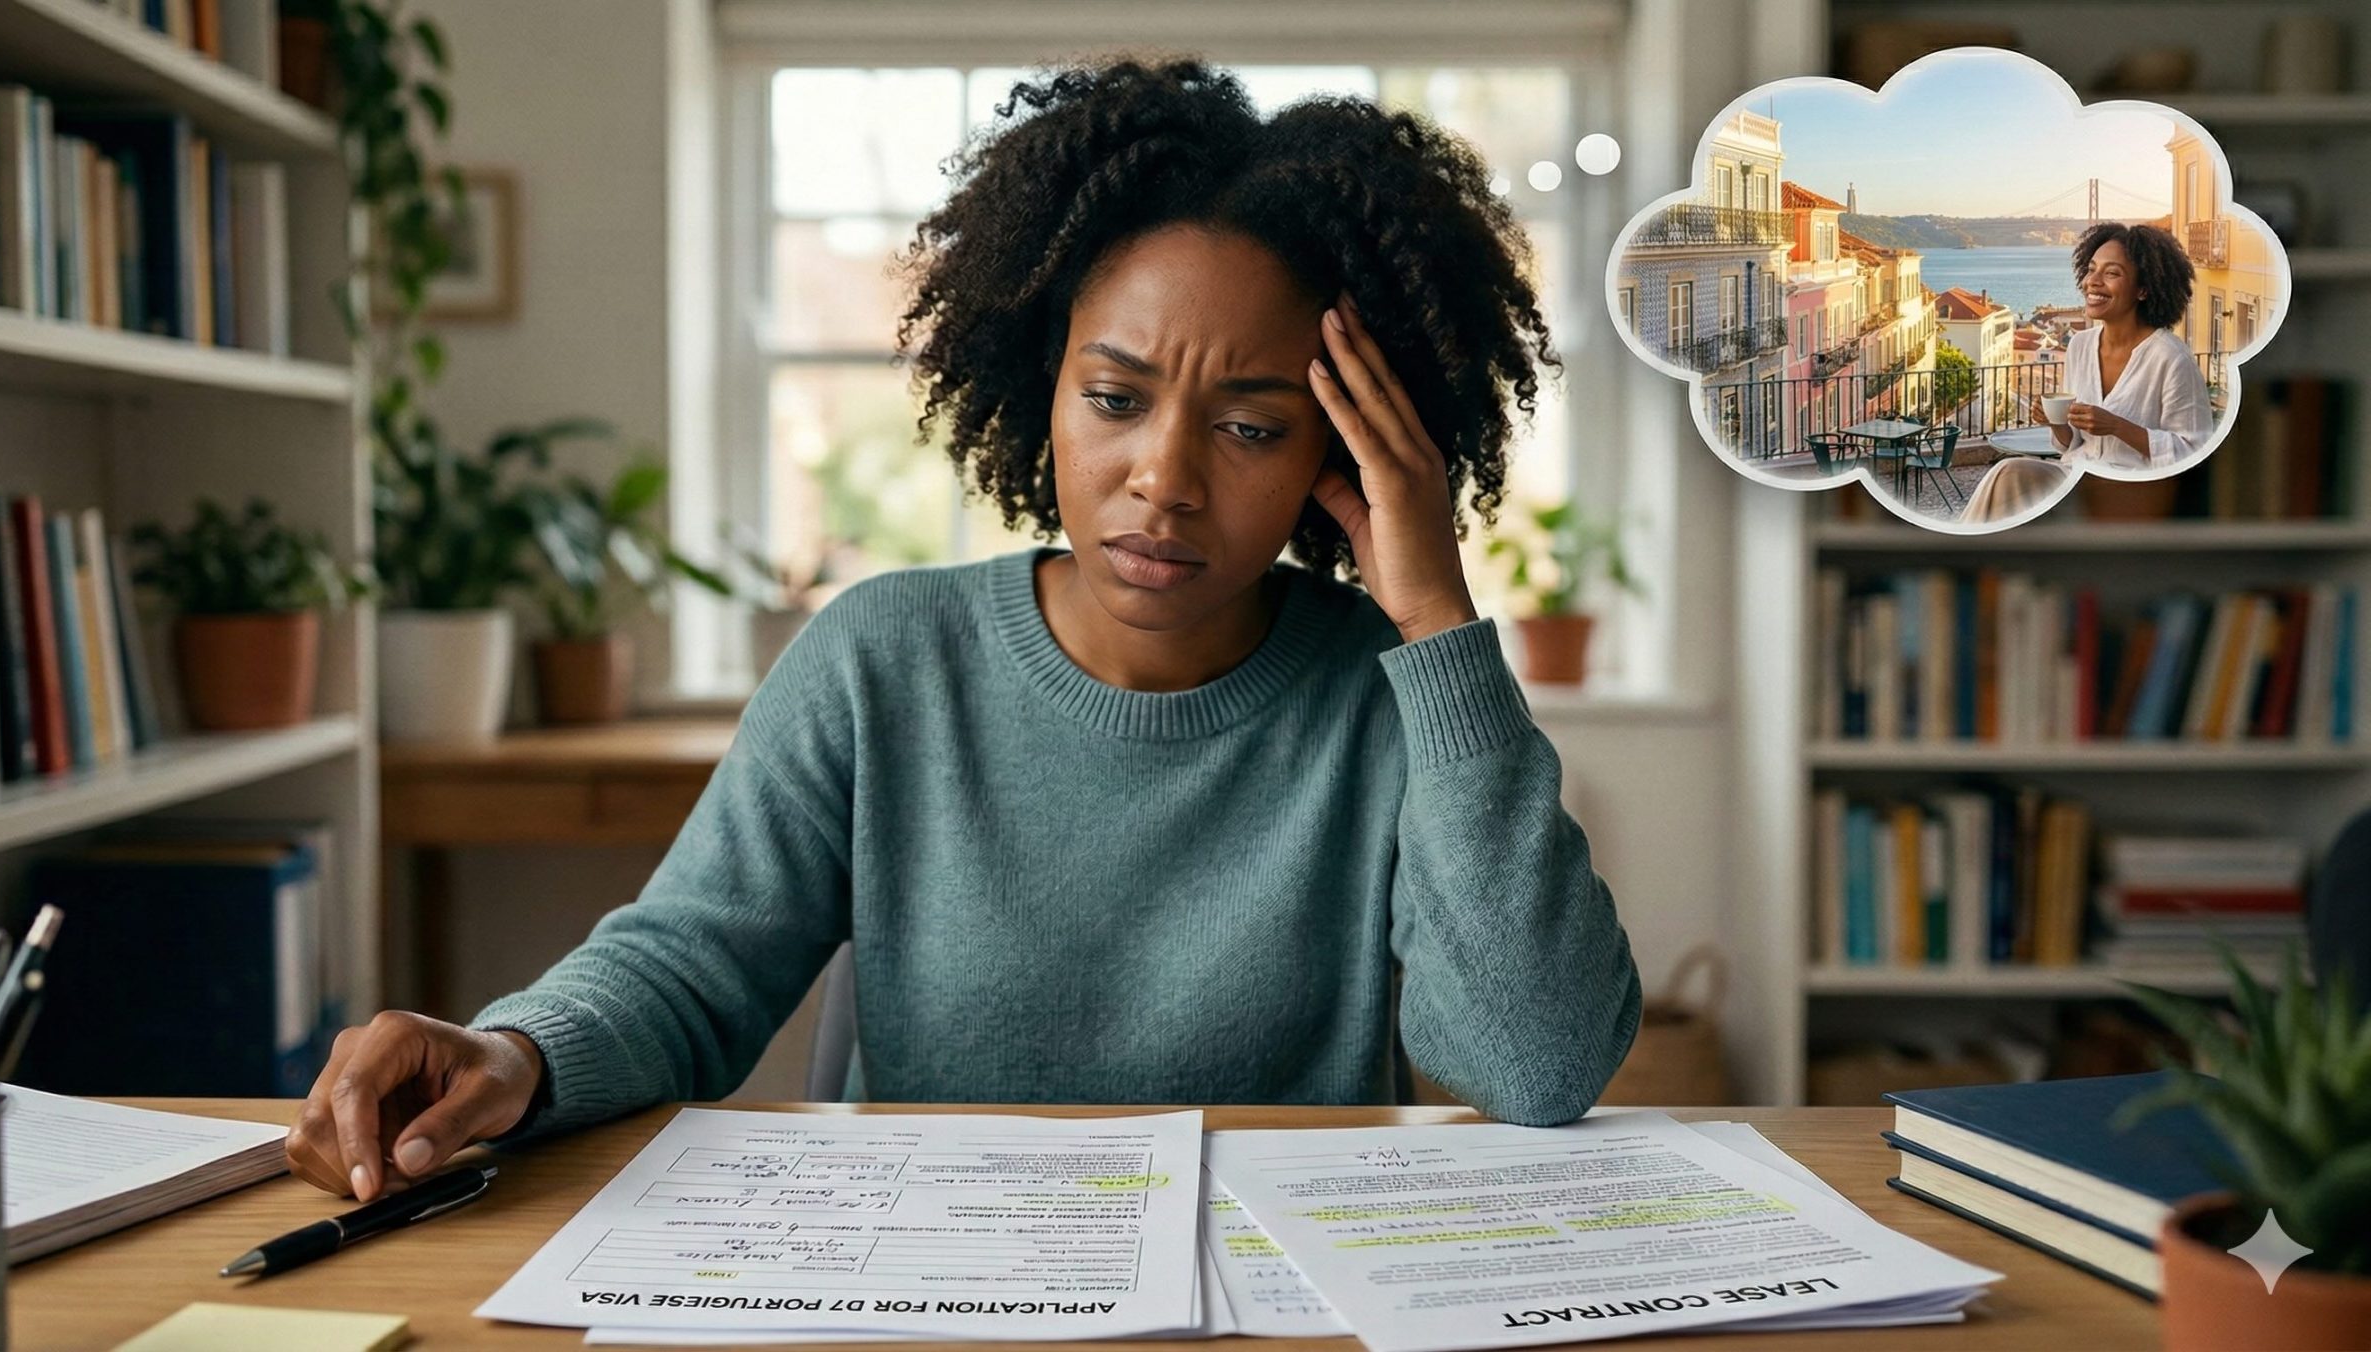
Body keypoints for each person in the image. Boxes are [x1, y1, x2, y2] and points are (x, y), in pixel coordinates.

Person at [284, 56, 1643, 1203]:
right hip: (934, 1284)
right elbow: (692, 962)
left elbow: (1536, 1065)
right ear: (1037, 384)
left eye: (1249, 426)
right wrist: (516, 1052)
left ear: (1340, 452)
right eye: (1115, 399)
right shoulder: (884, 658)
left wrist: (1436, 617)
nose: (1163, 478)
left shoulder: (1381, 692)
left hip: (1273, 1308)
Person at [1961, 222, 2213, 524]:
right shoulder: (2080, 345)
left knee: (2008, 490)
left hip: (2133, 491)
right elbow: (2071, 444)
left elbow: (2193, 453)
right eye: (2091, 269)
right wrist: (2056, 423)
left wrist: (2117, 426)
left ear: (2143, 289)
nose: (2092, 282)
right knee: (2008, 472)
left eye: (2112, 273)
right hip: (2076, 477)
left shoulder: (2171, 358)